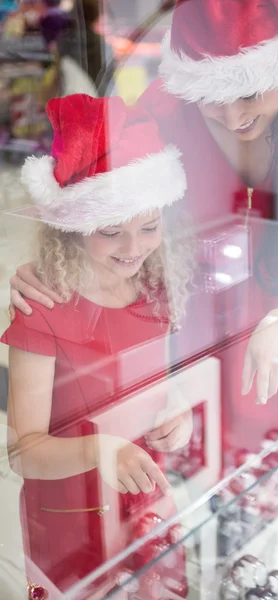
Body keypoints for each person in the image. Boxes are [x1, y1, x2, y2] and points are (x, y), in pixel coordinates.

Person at [9, 0, 278, 459]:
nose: (230, 116)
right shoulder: (166, 109)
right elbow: (105, 198)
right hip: (182, 338)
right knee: (181, 488)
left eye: (249, 92)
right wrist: (53, 262)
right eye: (210, 97)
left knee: (273, 483)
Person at [2, 94, 192, 598]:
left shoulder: (156, 290)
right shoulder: (41, 309)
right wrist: (101, 449)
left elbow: (156, 388)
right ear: (72, 231)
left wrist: (175, 411)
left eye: (149, 227)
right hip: (71, 519)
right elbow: (25, 452)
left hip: (145, 501)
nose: (134, 248)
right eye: (111, 233)